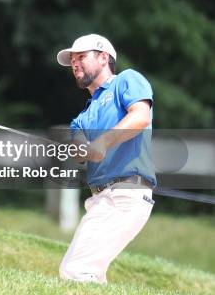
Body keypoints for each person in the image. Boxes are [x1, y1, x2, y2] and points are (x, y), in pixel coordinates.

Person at [56, 34, 157, 284]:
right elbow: (78, 147)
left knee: (76, 270)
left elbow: (141, 117)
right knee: (83, 272)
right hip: (100, 200)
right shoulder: (81, 118)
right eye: (72, 61)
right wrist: (79, 149)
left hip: (126, 195)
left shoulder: (127, 80)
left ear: (104, 58)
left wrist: (102, 143)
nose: (75, 64)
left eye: (81, 57)